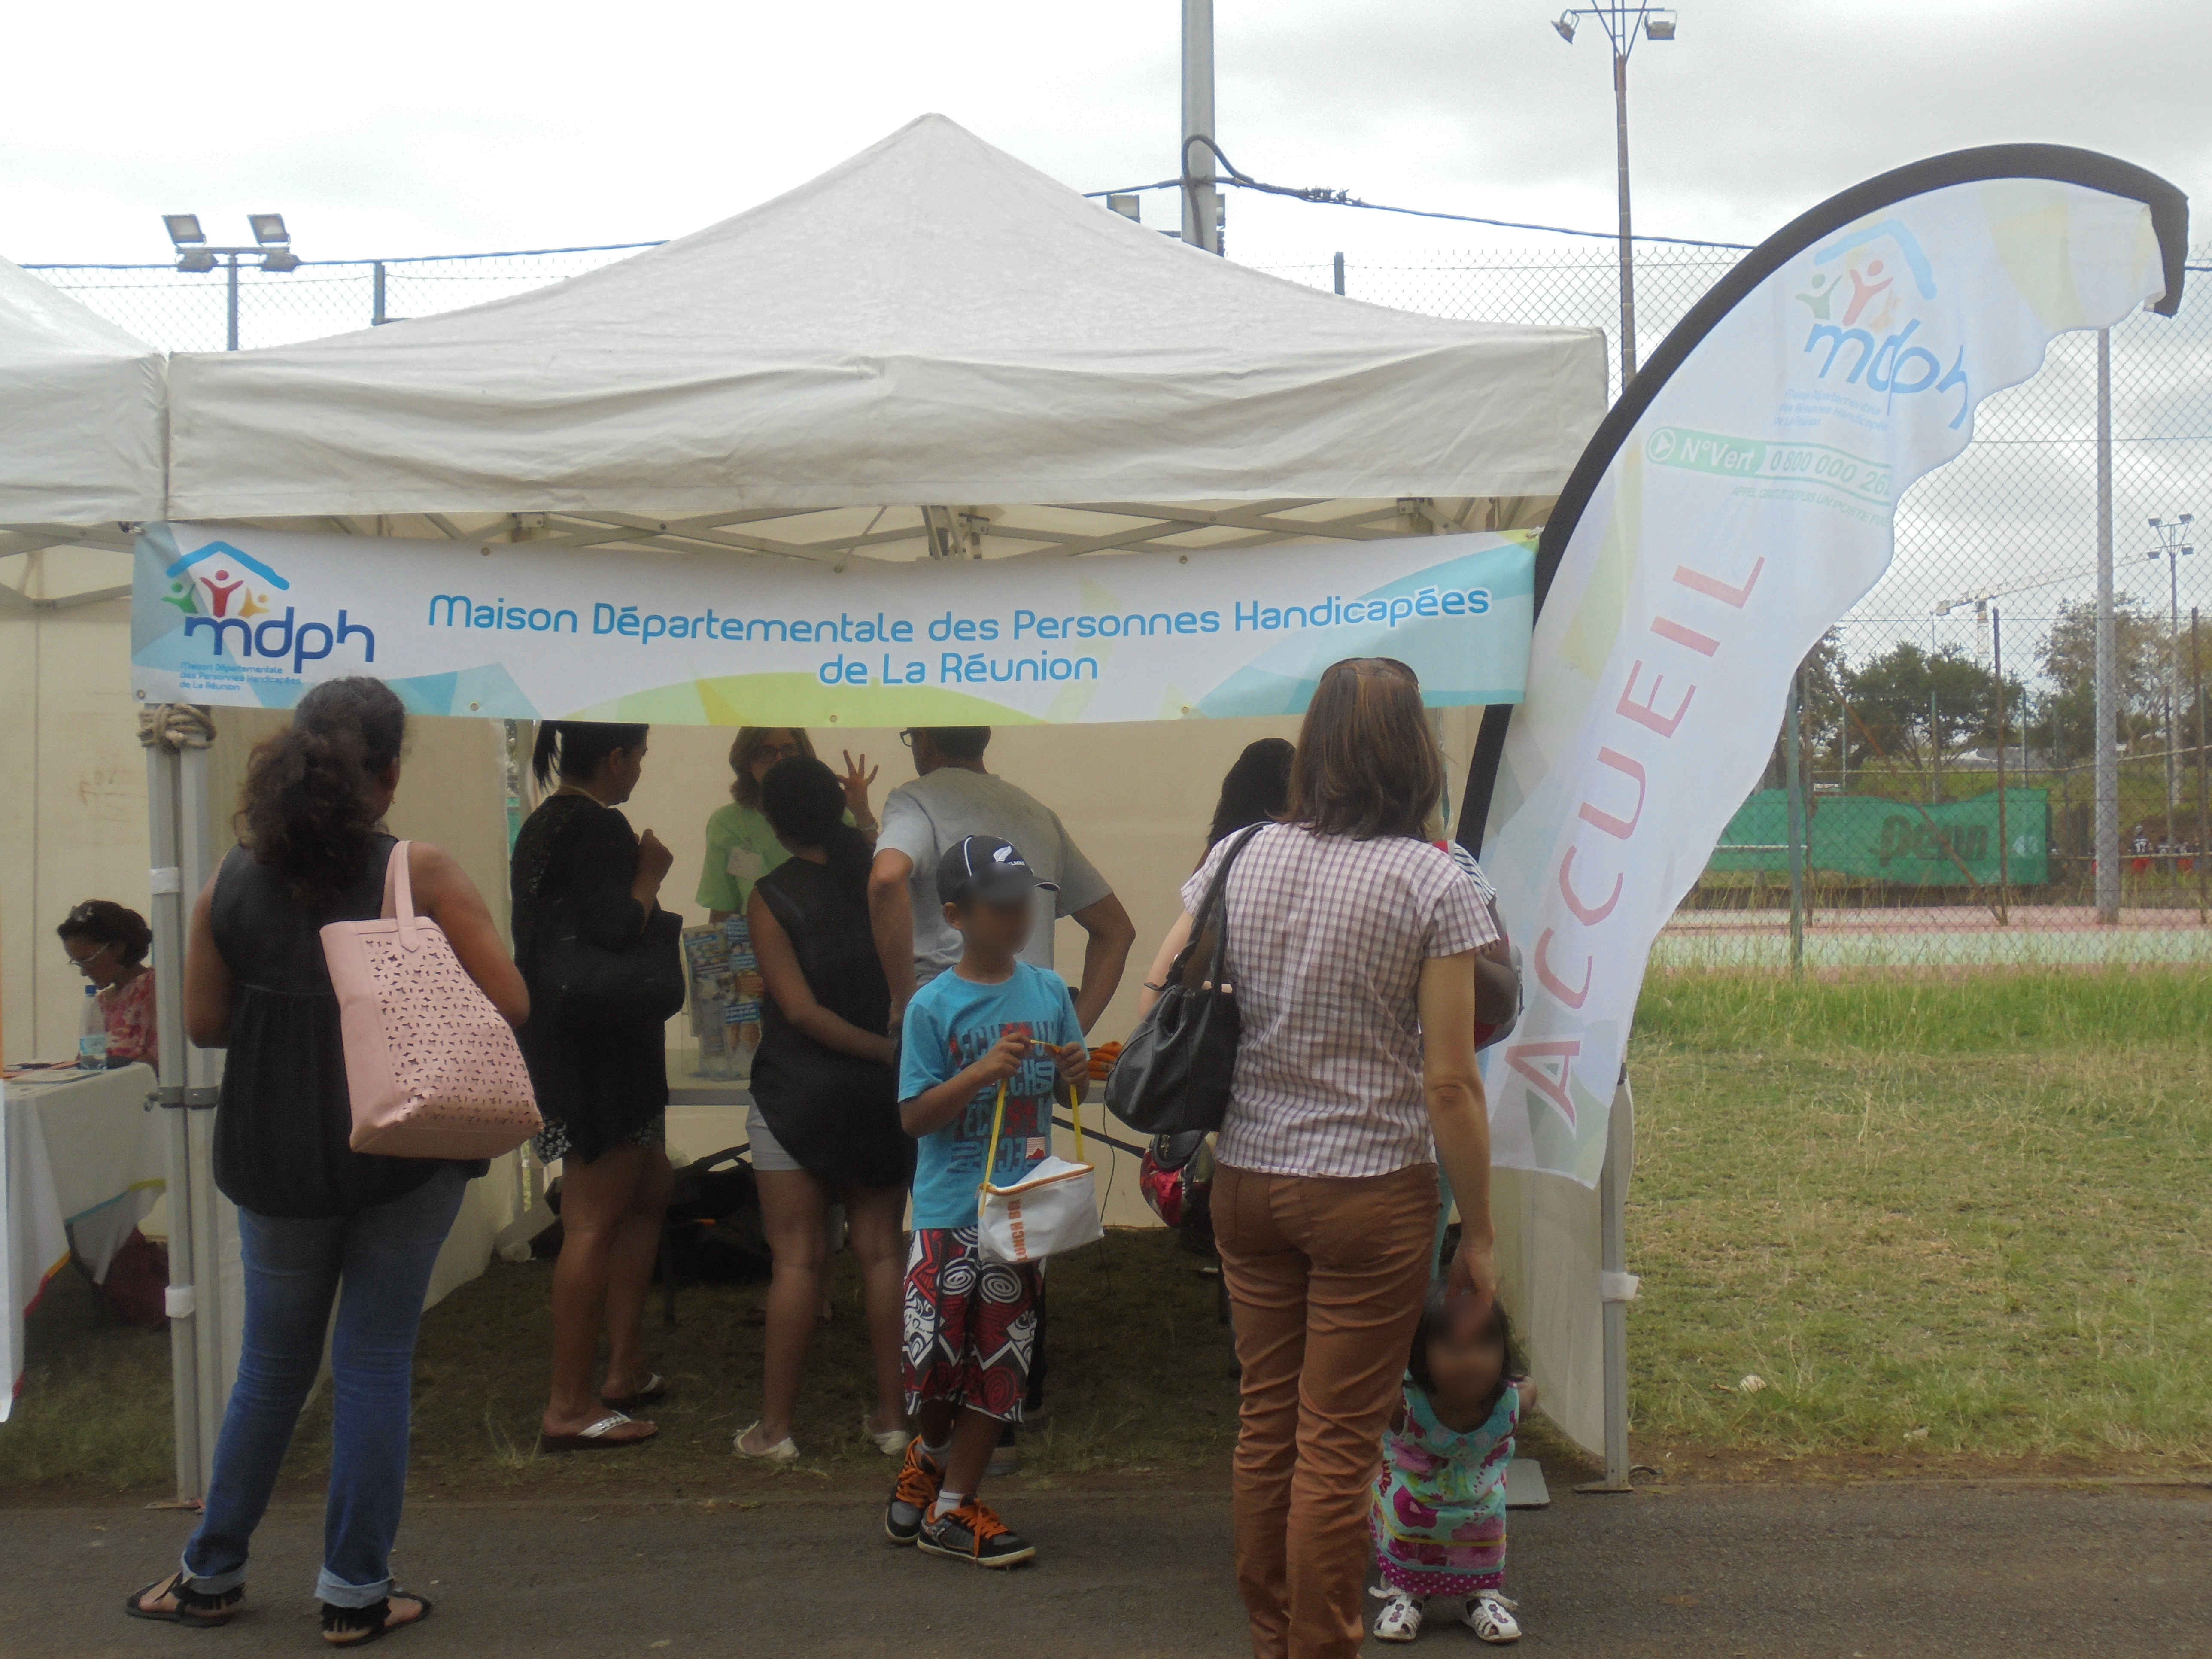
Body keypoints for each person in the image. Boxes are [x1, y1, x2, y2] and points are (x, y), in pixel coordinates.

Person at [125, 677, 526, 1645]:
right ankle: (353, 1592)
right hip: (405, 1147)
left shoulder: (231, 875)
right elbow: (509, 1001)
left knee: (269, 1368)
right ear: (387, 776)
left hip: (271, 1153)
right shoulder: (416, 874)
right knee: (374, 1361)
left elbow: (206, 1022)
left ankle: (209, 1574)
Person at [1140, 657, 1500, 1659]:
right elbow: (1450, 1083)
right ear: (1414, 751)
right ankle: (1322, 1647)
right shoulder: (1434, 877)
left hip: (1248, 1177)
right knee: (1336, 1447)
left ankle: (1273, 1639)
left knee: (1266, 1426)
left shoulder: (1242, 851)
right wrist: (1481, 1227)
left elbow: (1159, 981)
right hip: (1371, 1191)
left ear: (1316, 747)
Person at [881, 835, 1086, 1569]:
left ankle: (952, 1503)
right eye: (999, 906)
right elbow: (913, 1115)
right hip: (948, 1208)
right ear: (955, 915)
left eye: (1023, 902)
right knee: (934, 1360)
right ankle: (930, 1452)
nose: (1016, 918)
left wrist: (1072, 1069)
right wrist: (977, 1073)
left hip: (1022, 1208)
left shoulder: (1049, 992)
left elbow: (1074, 1091)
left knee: (1000, 1355)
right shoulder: (932, 1007)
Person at [732, 755, 914, 1465]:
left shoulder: (771, 895)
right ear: (834, 805)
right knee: (880, 1250)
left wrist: (872, 1049)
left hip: (795, 1092)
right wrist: (890, 1053)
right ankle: (894, 1416)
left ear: (774, 820)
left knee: (798, 1262)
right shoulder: (875, 872)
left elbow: (800, 1011)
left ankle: (775, 1428)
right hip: (877, 1096)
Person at [513, 721, 679, 1452]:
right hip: (603, 1052)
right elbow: (616, 924)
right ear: (615, 758)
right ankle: (569, 1402)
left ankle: (626, 1365)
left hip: (567, 1039)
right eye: (638, 756)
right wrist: (648, 874)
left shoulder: (541, 825)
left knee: (647, 1192)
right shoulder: (603, 828)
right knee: (592, 1218)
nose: (640, 768)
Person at [868, 727, 1133, 1034]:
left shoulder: (916, 800)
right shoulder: (1036, 813)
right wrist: (1072, 1033)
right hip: (1034, 1021)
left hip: (951, 1019)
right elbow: (1116, 930)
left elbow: (886, 879)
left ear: (924, 738)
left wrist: (904, 1004)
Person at [1368, 1286, 1535, 1645]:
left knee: (1483, 1535)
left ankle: (1480, 1592)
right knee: (1410, 1531)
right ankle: (1405, 1590)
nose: (1471, 1360)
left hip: (1480, 1508)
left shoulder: (1512, 1400)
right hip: (1414, 1504)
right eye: (1453, 1349)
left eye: (1484, 1346)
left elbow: (1529, 1392)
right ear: (1420, 1356)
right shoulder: (1402, 1403)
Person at [697, 728, 879, 923]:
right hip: (755, 943)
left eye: (789, 749)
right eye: (766, 752)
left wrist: (861, 811)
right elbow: (722, 911)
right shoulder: (726, 823)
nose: (779, 760)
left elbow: (874, 874)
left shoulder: (826, 807)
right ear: (747, 762)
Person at [56, 899, 157, 1066]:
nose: (83, 972)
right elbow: (88, 1060)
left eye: (87, 961)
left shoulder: (158, 990)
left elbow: (163, 1061)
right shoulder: (101, 1003)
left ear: (118, 947)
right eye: (78, 964)